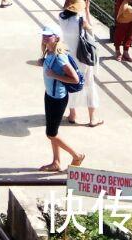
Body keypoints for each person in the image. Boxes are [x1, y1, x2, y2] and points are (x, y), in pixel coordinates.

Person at [39, 27, 85, 171]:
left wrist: (54, 75)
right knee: (54, 132)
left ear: (56, 37)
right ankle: (56, 162)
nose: (45, 38)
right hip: (49, 95)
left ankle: (77, 156)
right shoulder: (49, 52)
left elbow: (75, 79)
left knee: (51, 134)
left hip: (57, 100)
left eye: (48, 36)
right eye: (43, 35)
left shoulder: (60, 57)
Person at [58, 0, 102, 127]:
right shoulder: (80, 20)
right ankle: (92, 118)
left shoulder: (61, 17)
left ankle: (72, 114)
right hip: (82, 57)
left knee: (70, 84)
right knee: (89, 85)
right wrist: (87, 11)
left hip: (68, 57)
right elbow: (91, 32)